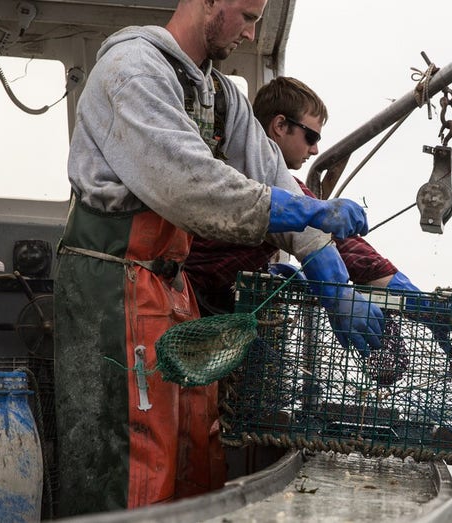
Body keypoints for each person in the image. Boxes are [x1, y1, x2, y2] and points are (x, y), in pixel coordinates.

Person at [53, 0, 384, 516]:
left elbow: (269, 175)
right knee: (135, 458)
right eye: (247, 16)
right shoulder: (131, 70)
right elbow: (189, 185)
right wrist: (304, 211)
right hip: (113, 287)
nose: (252, 34)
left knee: (193, 450)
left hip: (169, 287)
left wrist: (332, 277)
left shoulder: (220, 94)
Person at [185, 76, 424, 316]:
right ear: (280, 126)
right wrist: (414, 299)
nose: (315, 149)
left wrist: (270, 269)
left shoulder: (239, 171)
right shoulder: (259, 183)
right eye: (311, 137)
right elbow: (334, 238)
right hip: (184, 304)